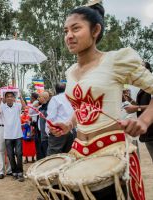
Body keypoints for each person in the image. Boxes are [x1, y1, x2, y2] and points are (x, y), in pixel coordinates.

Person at [49, 2, 153, 199]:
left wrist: (144, 120)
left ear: (95, 30)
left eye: (76, 28)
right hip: (78, 153)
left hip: (111, 154)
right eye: (65, 31)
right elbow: (82, 106)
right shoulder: (70, 72)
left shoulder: (115, 61)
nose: (69, 35)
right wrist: (68, 124)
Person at [0, 90, 26, 182]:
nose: (9, 98)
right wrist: (0, 99)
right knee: (11, 155)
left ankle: (20, 172)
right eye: (7, 96)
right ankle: (14, 172)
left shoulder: (17, 105)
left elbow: (25, 107)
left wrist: (21, 97)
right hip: (7, 135)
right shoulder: (3, 107)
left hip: (18, 135)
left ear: (14, 98)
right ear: (5, 98)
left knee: (19, 154)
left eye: (11, 96)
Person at [125, 62, 153, 161]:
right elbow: (142, 106)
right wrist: (130, 101)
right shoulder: (143, 88)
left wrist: (136, 108)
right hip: (148, 132)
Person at [45, 83, 74, 156]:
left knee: (53, 157)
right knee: (69, 155)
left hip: (58, 131)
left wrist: (48, 131)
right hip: (71, 130)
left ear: (56, 90)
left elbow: (51, 117)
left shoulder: (55, 99)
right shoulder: (72, 98)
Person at [0, 93, 12, 180]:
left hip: (8, 129)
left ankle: (9, 170)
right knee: (1, 150)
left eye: (7, 96)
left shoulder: (10, 105)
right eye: (4, 96)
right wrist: (0, 101)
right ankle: (1, 171)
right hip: (0, 128)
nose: (6, 97)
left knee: (9, 150)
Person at [37, 91, 50, 159]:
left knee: (49, 156)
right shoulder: (40, 108)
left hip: (49, 137)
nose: (38, 98)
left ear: (44, 98)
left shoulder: (50, 108)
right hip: (42, 136)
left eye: (39, 97)